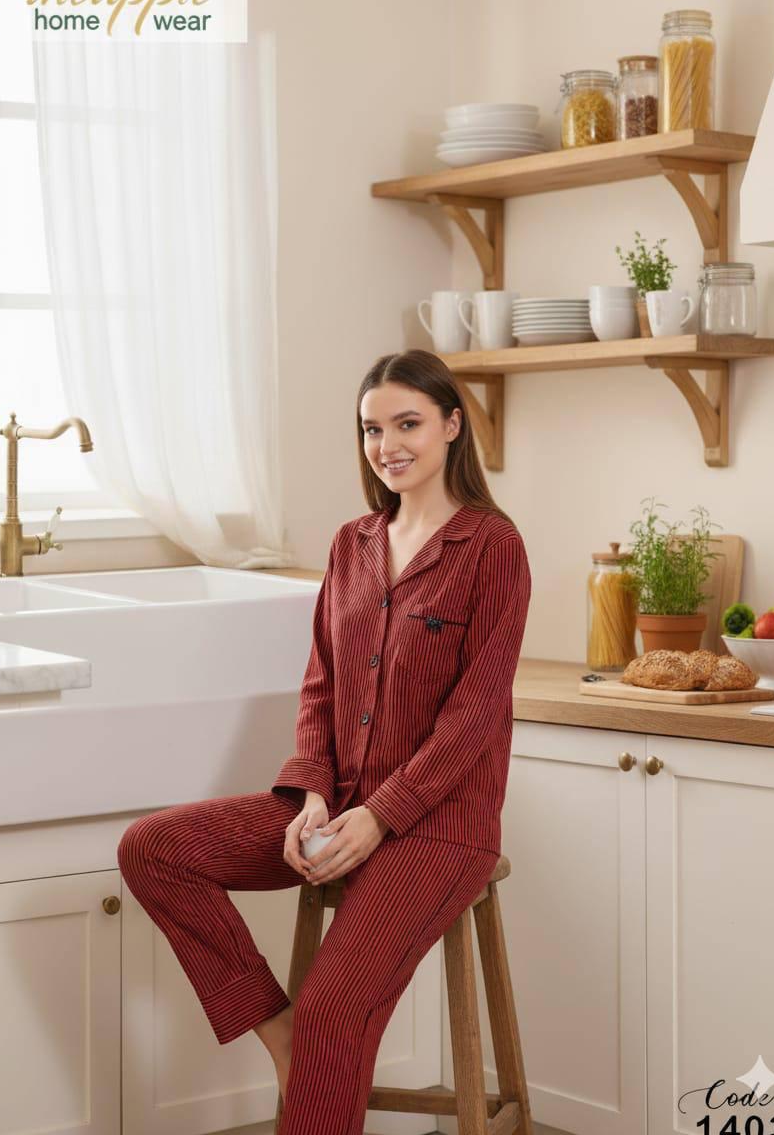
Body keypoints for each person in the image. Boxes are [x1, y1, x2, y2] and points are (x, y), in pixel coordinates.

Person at [117, 348, 532, 1135]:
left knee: (335, 1012)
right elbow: (320, 686)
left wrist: (378, 816)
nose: (388, 445)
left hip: (439, 826)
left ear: (452, 425)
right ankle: (281, 1036)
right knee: (153, 849)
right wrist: (311, 797)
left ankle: (307, 1045)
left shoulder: (491, 547)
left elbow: (474, 716)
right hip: (331, 805)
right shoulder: (353, 543)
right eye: (373, 429)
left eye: (407, 423)